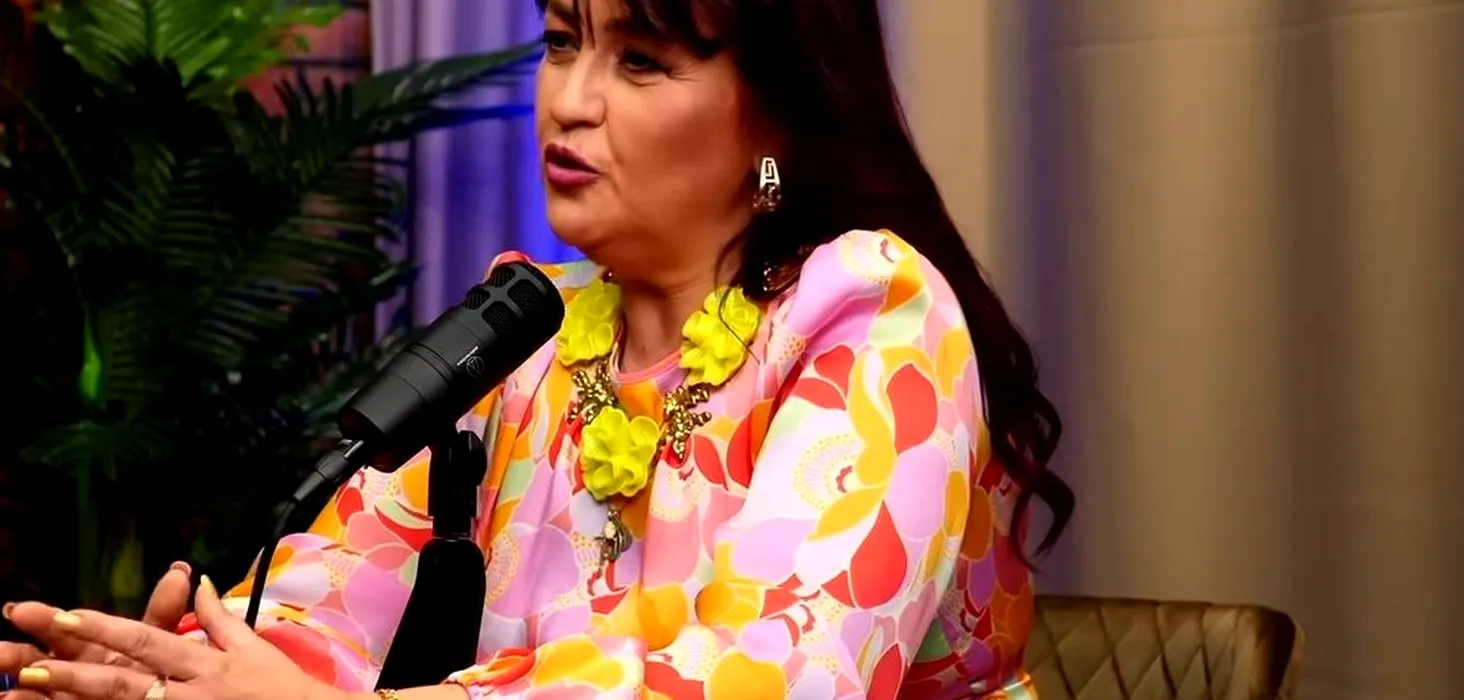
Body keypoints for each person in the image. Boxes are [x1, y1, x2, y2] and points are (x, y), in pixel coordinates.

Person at [1, 0, 1073, 697]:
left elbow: (778, 677)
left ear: (780, 116)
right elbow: (326, 613)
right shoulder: (523, 327)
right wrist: (177, 670)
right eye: (563, 41)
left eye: (640, 60)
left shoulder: (872, 308)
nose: (570, 101)